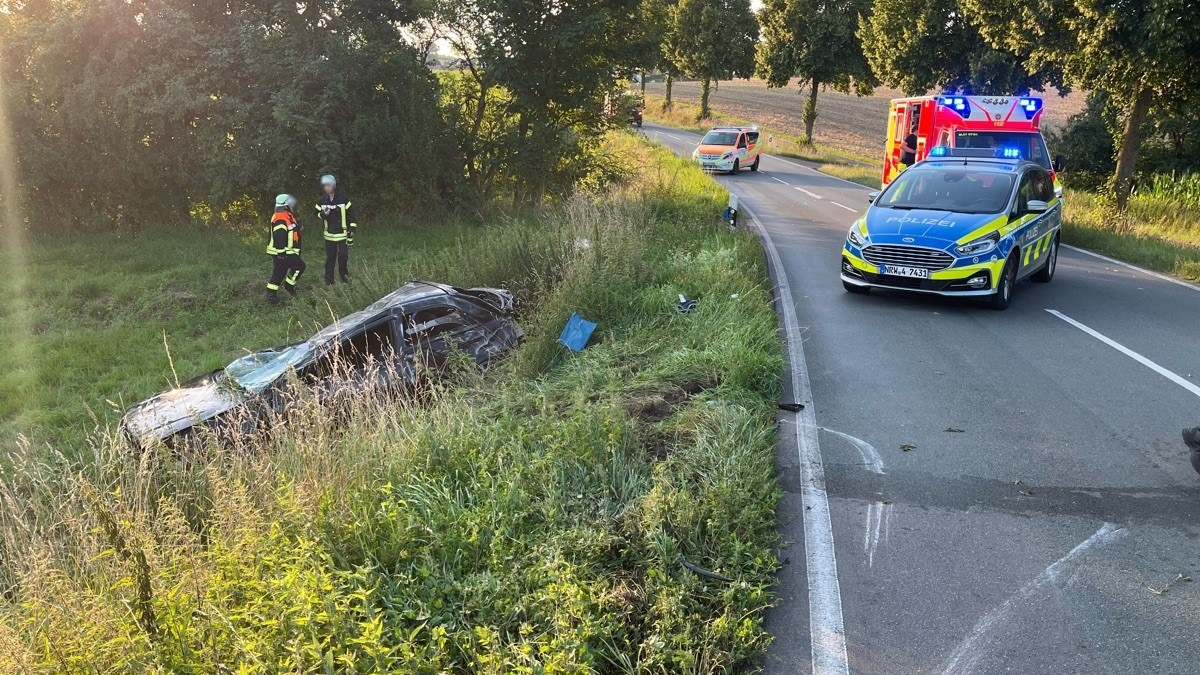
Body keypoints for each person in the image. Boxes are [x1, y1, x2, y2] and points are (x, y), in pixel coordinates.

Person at [315, 174, 358, 285]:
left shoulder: (343, 199)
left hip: (343, 234)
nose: (326, 188)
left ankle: (344, 277)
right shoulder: (321, 201)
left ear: (334, 185)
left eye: (328, 185)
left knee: (343, 256)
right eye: (325, 186)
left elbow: (351, 214)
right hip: (329, 235)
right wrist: (323, 214)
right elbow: (316, 214)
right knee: (330, 258)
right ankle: (329, 281)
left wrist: (352, 228)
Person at [266, 193, 305, 305]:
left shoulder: (287, 215)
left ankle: (271, 296)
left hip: (285, 251)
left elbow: (290, 230)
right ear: (286, 206)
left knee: (280, 272)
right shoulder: (280, 217)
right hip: (283, 251)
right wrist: (281, 252)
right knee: (300, 266)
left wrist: (298, 226)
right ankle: (289, 286)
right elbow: (279, 235)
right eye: (291, 204)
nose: (293, 206)